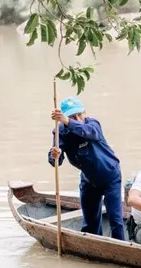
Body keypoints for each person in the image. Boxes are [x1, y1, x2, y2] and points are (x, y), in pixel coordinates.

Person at [48, 97, 125, 240]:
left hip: (110, 176)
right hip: (89, 180)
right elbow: (56, 161)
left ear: (84, 113)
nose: (78, 118)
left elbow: (88, 132)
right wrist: (55, 155)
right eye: (72, 116)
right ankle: (95, 249)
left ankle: (122, 249)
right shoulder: (60, 132)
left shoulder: (92, 124)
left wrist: (68, 121)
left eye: (80, 114)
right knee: (90, 223)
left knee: (115, 219)